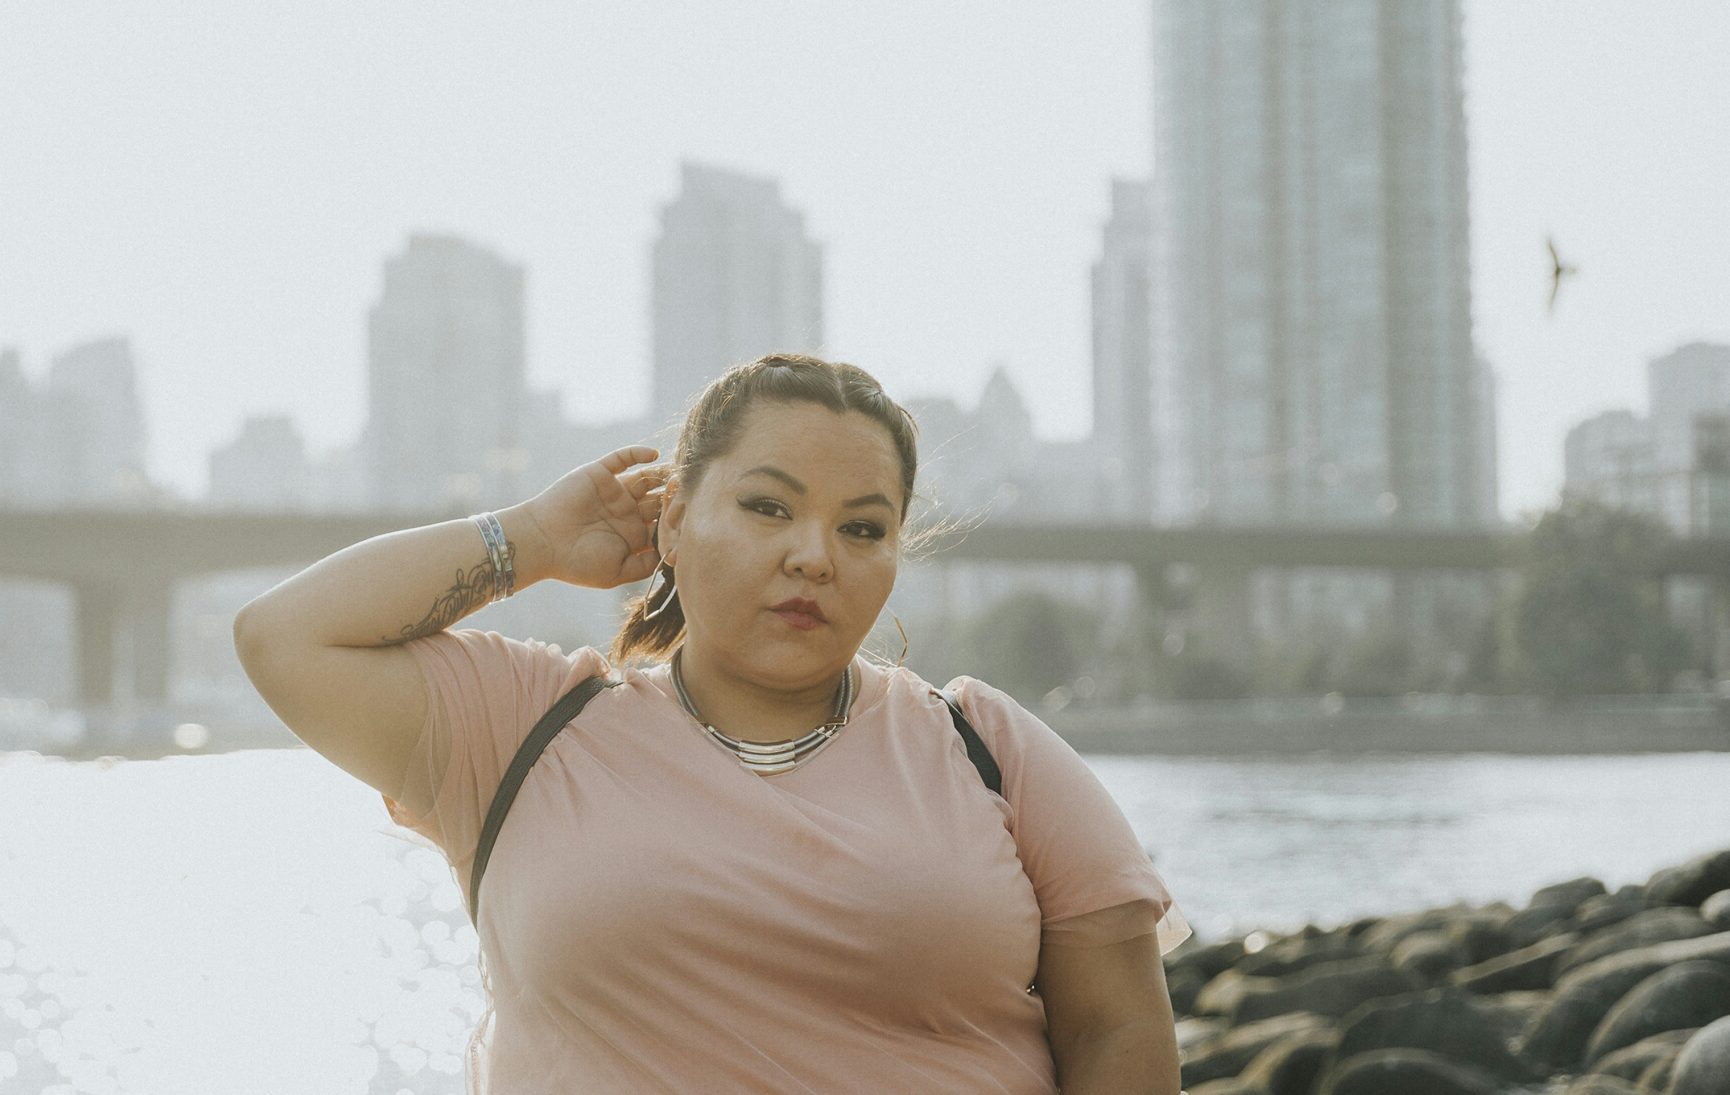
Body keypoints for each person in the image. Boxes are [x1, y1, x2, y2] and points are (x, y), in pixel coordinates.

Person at [233, 352, 1190, 1094]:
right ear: (674, 518)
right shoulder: (525, 730)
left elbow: (1118, 1031)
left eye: (862, 527)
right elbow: (285, 637)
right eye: (767, 506)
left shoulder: (990, 749)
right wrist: (534, 538)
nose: (814, 555)